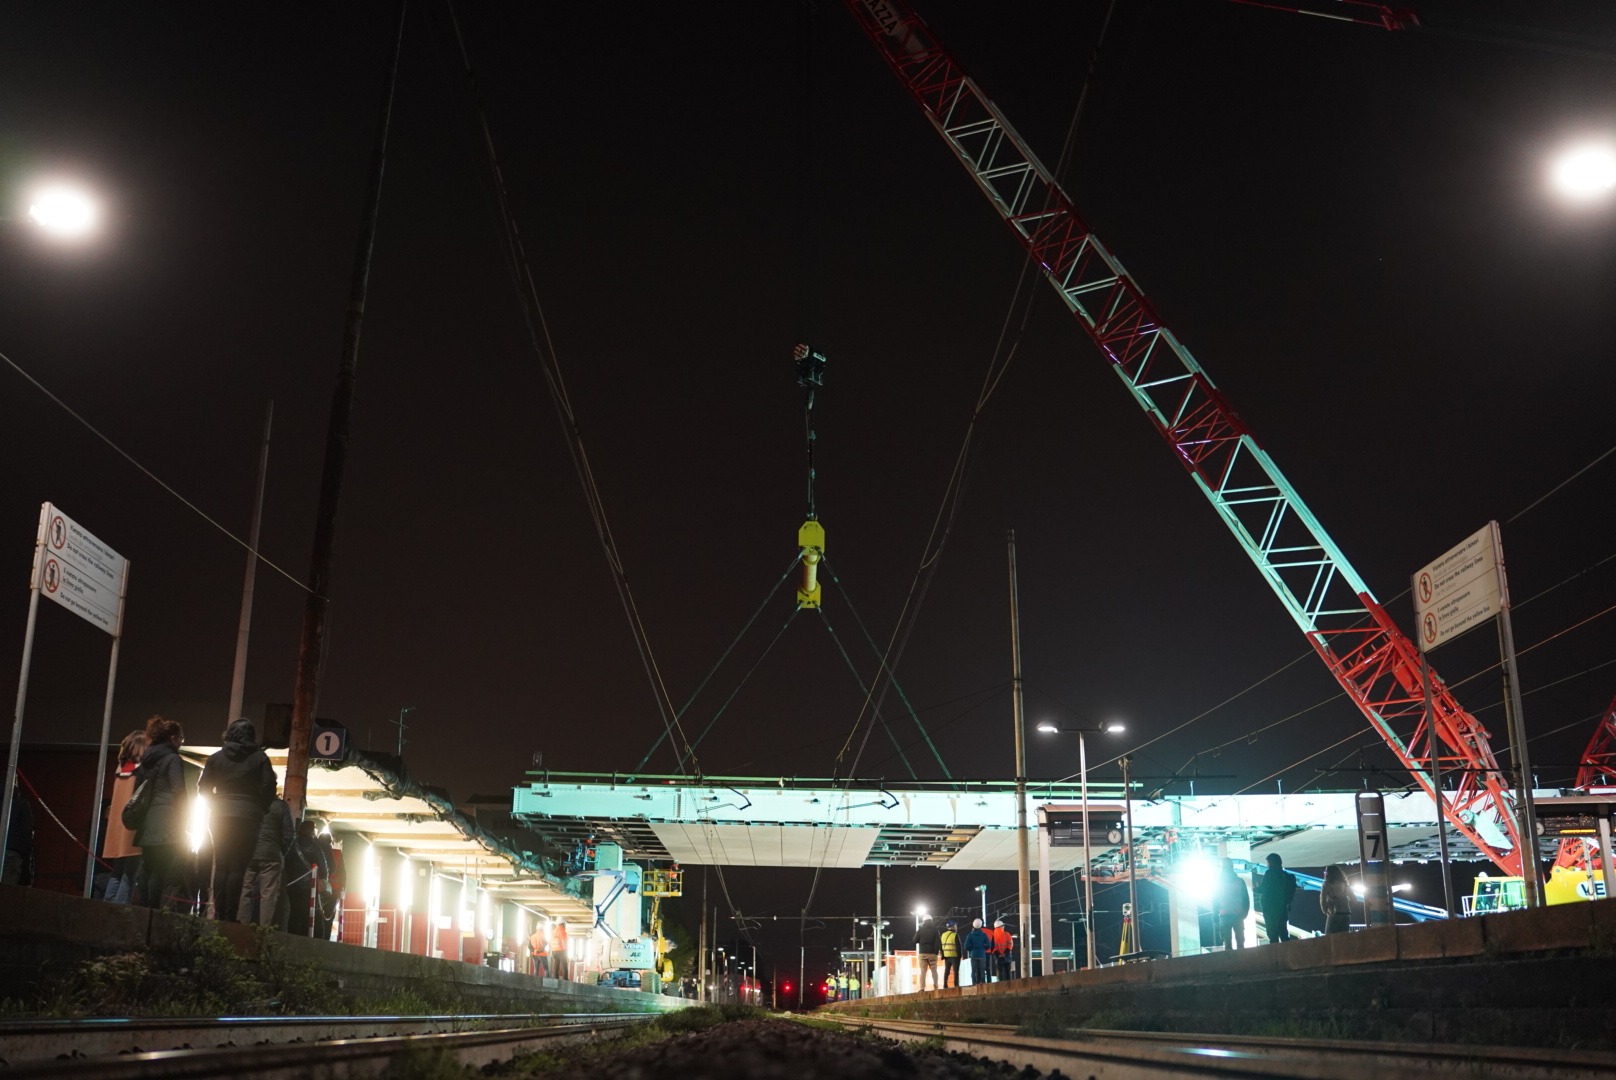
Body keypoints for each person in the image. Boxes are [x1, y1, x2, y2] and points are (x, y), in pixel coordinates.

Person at [198, 719, 276, 921]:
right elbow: (269, 787)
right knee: (238, 866)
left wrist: (215, 803)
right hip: (249, 817)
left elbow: (203, 787)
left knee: (222, 863)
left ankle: (219, 912)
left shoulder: (216, 758)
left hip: (220, 815)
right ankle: (230, 915)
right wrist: (260, 807)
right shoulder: (260, 758)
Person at [134, 716, 191, 911]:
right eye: (182, 739)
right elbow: (179, 791)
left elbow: (138, 789)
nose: (182, 743)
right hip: (167, 820)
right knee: (160, 869)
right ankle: (153, 910)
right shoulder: (173, 759)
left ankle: (142, 909)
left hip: (148, 818)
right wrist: (186, 817)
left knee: (147, 867)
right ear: (173, 738)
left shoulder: (147, 759)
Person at [101, 730, 147, 903]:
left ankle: (108, 905)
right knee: (131, 873)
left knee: (117, 871)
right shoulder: (141, 770)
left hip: (117, 824)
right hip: (133, 824)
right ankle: (120, 909)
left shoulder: (121, 768)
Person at [239, 788, 295, 927]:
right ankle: (264, 929)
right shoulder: (281, 806)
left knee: (246, 890)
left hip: (250, 853)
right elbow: (289, 833)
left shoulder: (251, 803)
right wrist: (280, 851)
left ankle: (242, 926)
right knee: (268, 894)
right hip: (271, 855)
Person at [286, 818, 331, 936]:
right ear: (311, 831)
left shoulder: (293, 844)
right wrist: (323, 880)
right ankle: (307, 936)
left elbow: (287, 862)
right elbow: (323, 865)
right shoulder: (314, 845)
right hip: (309, 886)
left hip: (293, 884)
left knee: (294, 912)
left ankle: (292, 935)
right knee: (309, 912)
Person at [1256, 852, 1297, 943]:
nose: (1267, 865)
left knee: (1272, 934)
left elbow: (1263, 889)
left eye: (1268, 863)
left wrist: (1255, 888)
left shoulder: (1269, 874)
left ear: (1271, 862)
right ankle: (1287, 954)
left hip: (1270, 909)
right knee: (1283, 933)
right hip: (1282, 908)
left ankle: (1275, 955)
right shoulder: (1286, 876)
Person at [1213, 857, 1250, 950]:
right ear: (1232, 867)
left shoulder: (1218, 882)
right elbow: (1246, 899)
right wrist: (1245, 913)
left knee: (1227, 944)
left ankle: (1230, 962)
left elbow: (1215, 900)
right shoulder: (1240, 881)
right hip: (1238, 915)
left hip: (1224, 915)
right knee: (1240, 943)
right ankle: (1241, 961)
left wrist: (1215, 915)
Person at [2, 790, 35, 887]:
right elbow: (26, 831)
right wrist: (24, 853)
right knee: (6, 890)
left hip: (11, 850)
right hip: (12, 850)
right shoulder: (21, 804)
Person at [1321, 864, 1354, 934]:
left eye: (1325, 872)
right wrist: (1347, 904)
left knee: (1329, 936)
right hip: (1346, 913)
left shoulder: (1326, 884)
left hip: (1334, 913)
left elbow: (1323, 899)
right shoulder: (1344, 884)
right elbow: (1353, 898)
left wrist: (1325, 910)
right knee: (1344, 937)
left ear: (1329, 874)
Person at [914, 914, 942, 991]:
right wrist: (936, 952)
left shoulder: (921, 929)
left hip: (922, 953)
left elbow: (914, 940)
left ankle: (922, 988)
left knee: (923, 971)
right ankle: (936, 987)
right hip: (932, 953)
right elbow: (938, 942)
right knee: (934, 971)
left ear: (923, 921)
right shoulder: (935, 929)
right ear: (931, 921)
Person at [964, 918, 991, 985]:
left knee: (974, 971)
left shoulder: (970, 935)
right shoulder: (984, 935)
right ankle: (983, 984)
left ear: (973, 925)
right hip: (982, 955)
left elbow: (966, 946)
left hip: (973, 955)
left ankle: (974, 984)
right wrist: (984, 948)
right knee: (982, 971)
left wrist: (971, 950)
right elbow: (989, 945)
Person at [940, 919, 962, 988]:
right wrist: (959, 955)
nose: (956, 927)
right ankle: (956, 985)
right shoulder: (955, 935)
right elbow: (958, 946)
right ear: (952, 926)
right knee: (956, 971)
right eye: (955, 925)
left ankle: (945, 984)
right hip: (954, 956)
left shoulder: (943, 935)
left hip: (946, 956)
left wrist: (943, 955)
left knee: (947, 971)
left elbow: (941, 946)